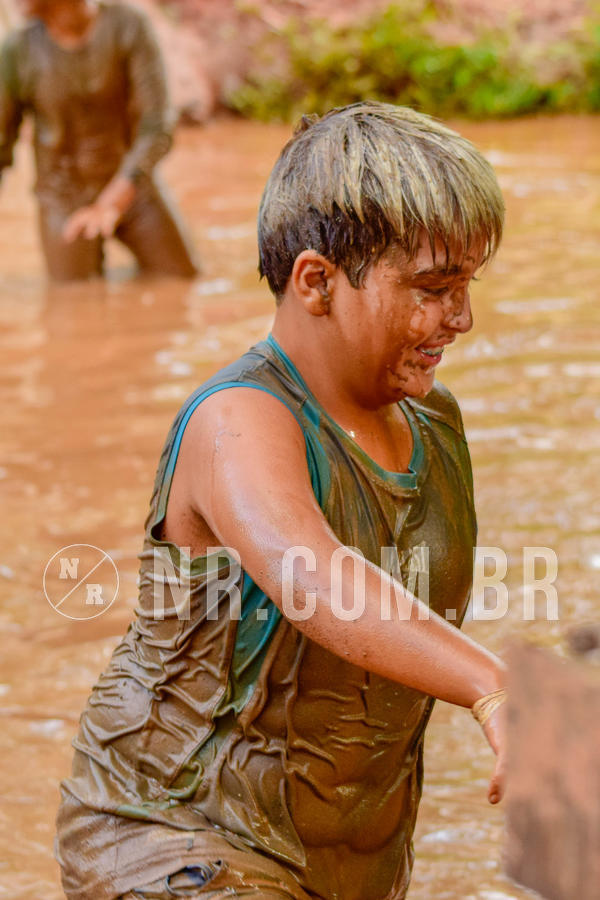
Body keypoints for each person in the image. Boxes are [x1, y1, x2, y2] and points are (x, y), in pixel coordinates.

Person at [56, 102, 507, 900]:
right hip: (171, 836)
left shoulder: (434, 422)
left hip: (342, 861)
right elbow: (311, 575)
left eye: (466, 285)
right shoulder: (239, 420)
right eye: (433, 288)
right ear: (316, 282)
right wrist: (495, 686)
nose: (461, 319)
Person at [0, 0, 198, 280]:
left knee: (183, 281)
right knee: (73, 300)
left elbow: (157, 125)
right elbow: (1, 144)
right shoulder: (17, 50)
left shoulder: (128, 26)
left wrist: (113, 201)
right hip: (62, 200)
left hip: (132, 186)